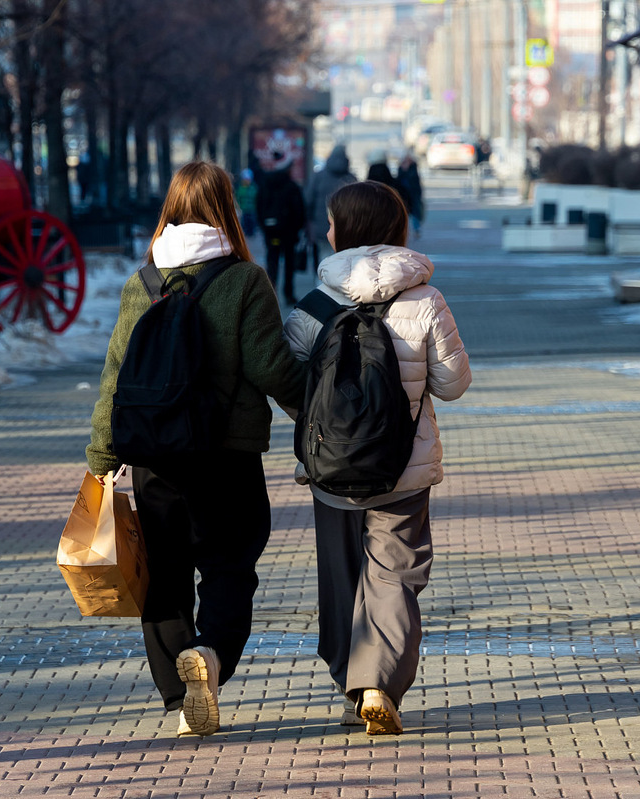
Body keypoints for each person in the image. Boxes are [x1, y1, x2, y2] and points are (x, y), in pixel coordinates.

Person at [86, 161, 307, 738]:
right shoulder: (243, 281)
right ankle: (208, 659)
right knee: (231, 563)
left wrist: (101, 456)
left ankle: (182, 698)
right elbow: (269, 366)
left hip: (155, 456)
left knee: (165, 574)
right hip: (225, 454)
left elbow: (115, 371)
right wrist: (315, 408)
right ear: (225, 209)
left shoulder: (144, 281)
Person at [282, 181, 472, 735]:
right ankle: (378, 684)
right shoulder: (425, 300)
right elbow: (453, 383)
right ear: (397, 231)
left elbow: (287, 378)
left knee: (341, 578)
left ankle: (349, 680)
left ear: (346, 230)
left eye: (331, 222)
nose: (325, 231)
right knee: (394, 574)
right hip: (403, 469)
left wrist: (326, 418)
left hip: (330, 469)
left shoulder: (315, 304)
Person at [256, 153, 307, 305]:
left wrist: (264, 226)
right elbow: (299, 210)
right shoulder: (292, 186)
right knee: (289, 264)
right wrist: (297, 228)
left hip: (270, 231)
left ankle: (271, 293)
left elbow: (259, 206)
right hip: (289, 232)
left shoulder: (265, 184)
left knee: (272, 262)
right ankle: (288, 294)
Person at [305, 144, 356, 266]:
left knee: (323, 258)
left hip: (321, 226)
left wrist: (309, 224)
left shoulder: (318, 177)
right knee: (342, 260)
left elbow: (308, 201)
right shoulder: (351, 179)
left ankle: (322, 282)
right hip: (345, 228)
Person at [396, 152, 424, 239]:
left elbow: (415, 182)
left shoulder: (413, 168)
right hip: (404, 195)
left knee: (415, 214)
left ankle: (416, 229)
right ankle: (404, 230)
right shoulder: (401, 168)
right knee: (404, 214)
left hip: (413, 195)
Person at [235, 168, 258, 237]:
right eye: (245, 179)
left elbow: (256, 198)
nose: (247, 181)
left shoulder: (253, 188)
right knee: (245, 221)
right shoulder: (241, 188)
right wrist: (238, 206)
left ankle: (252, 231)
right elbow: (238, 198)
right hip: (244, 209)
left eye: (248, 179)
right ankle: (246, 231)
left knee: (252, 221)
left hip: (252, 209)